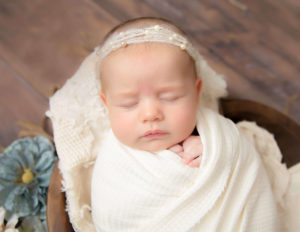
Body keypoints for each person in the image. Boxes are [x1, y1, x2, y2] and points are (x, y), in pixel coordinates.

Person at [48, 17, 300, 232]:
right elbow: (113, 217)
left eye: (170, 97)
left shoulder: (216, 133)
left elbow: (243, 169)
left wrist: (215, 151)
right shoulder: (113, 166)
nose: (150, 114)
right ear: (107, 103)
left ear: (196, 90)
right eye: (128, 103)